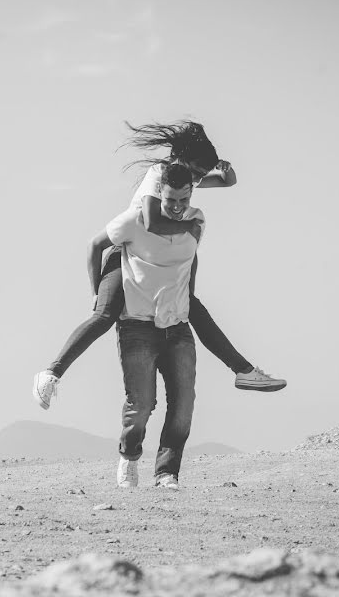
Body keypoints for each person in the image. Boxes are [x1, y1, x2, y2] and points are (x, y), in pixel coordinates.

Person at [32, 121, 284, 410]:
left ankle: (244, 372)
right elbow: (151, 222)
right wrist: (190, 225)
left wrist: (225, 169)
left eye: (201, 175)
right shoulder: (158, 175)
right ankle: (51, 373)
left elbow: (229, 181)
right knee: (104, 315)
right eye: (198, 172)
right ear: (181, 161)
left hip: (160, 257)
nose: (199, 179)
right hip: (126, 250)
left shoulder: (185, 177)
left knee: (192, 306)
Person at [92, 162, 201, 488]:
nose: (178, 207)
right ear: (159, 193)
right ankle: (129, 454)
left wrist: (189, 294)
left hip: (177, 326)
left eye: (184, 199)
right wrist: (96, 293)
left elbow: (191, 256)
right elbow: (95, 245)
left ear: (191, 193)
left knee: (183, 402)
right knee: (142, 404)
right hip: (136, 326)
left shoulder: (196, 221)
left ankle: (167, 472)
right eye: (171, 200)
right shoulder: (135, 220)